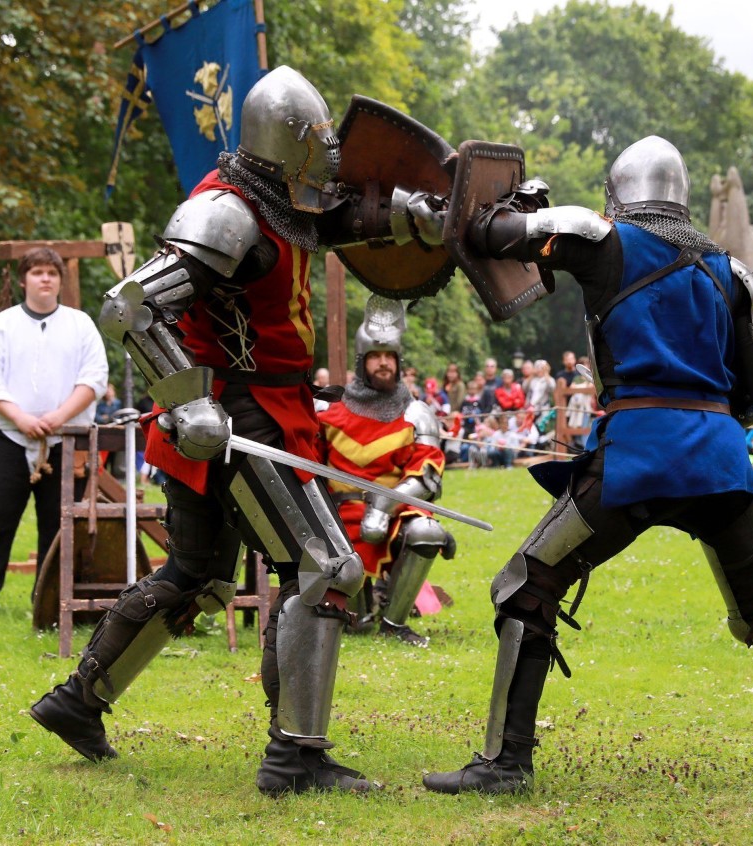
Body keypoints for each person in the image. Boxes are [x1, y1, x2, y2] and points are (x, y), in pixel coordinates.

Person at [423, 136, 753, 795]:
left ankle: (505, 765)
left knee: (524, 586)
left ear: (619, 193)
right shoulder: (731, 273)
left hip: (640, 457)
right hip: (721, 461)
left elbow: (490, 232)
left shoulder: (601, 240)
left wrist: (508, 207)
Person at [28, 67, 448, 795]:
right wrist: (188, 403)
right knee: (325, 568)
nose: (327, 159)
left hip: (257, 409)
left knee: (199, 575)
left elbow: (336, 219)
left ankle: (77, 701)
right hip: (231, 415)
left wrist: (408, 214)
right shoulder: (226, 212)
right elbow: (131, 307)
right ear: (286, 144)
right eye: (316, 144)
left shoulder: (280, 200)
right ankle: (295, 758)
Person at [0, 247, 108, 615]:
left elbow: (94, 378)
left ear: (60, 280)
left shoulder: (80, 324)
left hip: (65, 440)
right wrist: (21, 419)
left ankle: (52, 601)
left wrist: (58, 418)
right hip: (7, 437)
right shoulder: (1, 325)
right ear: (23, 280)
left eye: (52, 273)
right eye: (37, 272)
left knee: (59, 527)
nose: (45, 279)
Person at [316, 296, 454, 647]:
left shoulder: (415, 414)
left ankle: (395, 622)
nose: (383, 363)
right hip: (340, 514)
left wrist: (381, 507)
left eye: (388, 357)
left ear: (398, 360)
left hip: (394, 509)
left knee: (426, 530)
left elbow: (427, 476)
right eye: (376, 357)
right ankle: (359, 611)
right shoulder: (328, 413)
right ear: (363, 362)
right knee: (357, 625)